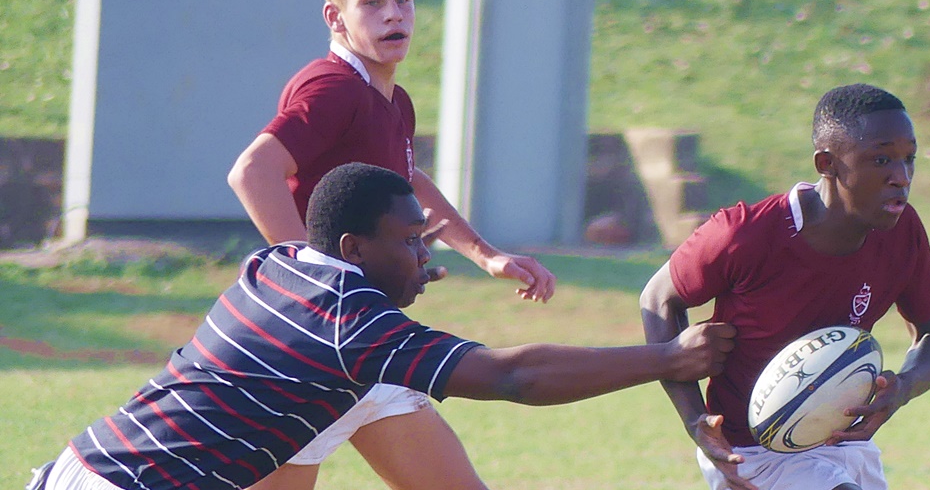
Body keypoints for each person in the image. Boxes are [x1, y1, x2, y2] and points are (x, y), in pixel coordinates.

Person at [30, 162, 737, 490]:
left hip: (82, 465)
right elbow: (514, 375)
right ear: (353, 249)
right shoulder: (350, 323)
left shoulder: (275, 264)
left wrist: (401, 268)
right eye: (410, 241)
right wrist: (668, 357)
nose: (424, 254)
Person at [226, 0, 557, 490]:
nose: (393, 13)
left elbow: (406, 180)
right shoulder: (332, 88)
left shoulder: (391, 100)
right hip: (306, 353)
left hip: (364, 344)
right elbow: (252, 172)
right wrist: (310, 290)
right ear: (336, 17)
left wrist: (487, 255)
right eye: (372, 2)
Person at [639, 83, 930, 490]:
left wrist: (904, 387)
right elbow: (659, 298)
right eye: (881, 159)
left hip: (842, 442)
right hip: (751, 453)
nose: (901, 176)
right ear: (828, 164)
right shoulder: (745, 234)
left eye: (909, 158)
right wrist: (694, 419)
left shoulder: (903, 229)